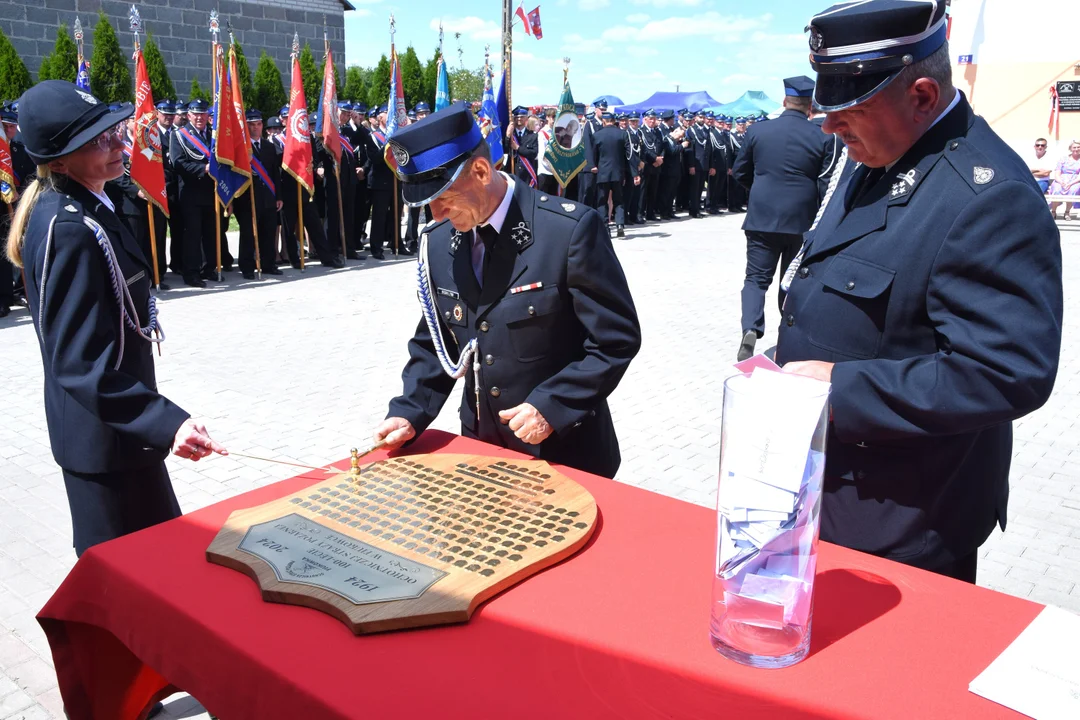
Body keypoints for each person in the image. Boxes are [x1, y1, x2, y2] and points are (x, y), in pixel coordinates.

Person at [778, 0, 1063, 582]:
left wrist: (838, 385)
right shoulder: (882, 147)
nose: (829, 126)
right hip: (825, 490)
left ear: (923, 97)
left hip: (902, 523)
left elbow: (1007, 371)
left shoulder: (987, 198)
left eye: (848, 110)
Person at [4, 81, 228, 557]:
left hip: (120, 435)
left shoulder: (85, 205)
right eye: (97, 140)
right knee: (125, 584)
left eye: (113, 133)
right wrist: (165, 423)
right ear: (61, 161)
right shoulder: (70, 227)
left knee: (162, 565)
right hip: (105, 443)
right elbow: (80, 363)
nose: (116, 144)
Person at [373, 102, 641, 479]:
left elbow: (616, 340)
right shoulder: (438, 243)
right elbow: (437, 341)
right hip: (482, 451)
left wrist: (552, 405)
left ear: (481, 171)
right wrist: (409, 411)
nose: (435, 215)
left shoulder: (568, 231)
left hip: (563, 450)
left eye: (443, 198)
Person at [731, 76, 826, 361]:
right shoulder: (821, 136)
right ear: (810, 107)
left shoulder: (758, 131)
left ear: (785, 102)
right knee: (795, 280)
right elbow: (824, 181)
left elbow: (740, 172)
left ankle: (750, 328)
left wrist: (760, 191)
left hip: (762, 217)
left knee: (756, 279)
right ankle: (788, 334)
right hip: (802, 220)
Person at [233, 110, 283, 278]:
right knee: (248, 233)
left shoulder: (269, 146)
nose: (256, 128)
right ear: (246, 126)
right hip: (248, 198)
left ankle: (268, 264)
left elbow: (275, 173)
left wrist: (279, 196)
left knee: (268, 232)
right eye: (252, 124)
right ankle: (247, 267)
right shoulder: (240, 148)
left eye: (259, 124)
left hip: (268, 197)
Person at [591, 111, 638, 237]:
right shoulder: (622, 134)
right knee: (619, 200)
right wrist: (635, 173)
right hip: (618, 173)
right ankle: (620, 224)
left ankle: (605, 227)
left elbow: (593, 155)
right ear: (614, 120)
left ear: (604, 121)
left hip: (603, 173)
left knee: (602, 201)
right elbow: (629, 155)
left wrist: (594, 166)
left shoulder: (597, 135)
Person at [1048, 140, 1080, 219]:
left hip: (1074, 180)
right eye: (1074, 147)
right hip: (1061, 180)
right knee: (1057, 189)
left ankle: (1067, 212)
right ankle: (1054, 211)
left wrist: (1070, 183)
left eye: (1078, 147)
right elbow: (1057, 173)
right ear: (1070, 149)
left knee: (1073, 190)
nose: (1076, 149)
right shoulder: (1063, 159)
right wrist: (1061, 182)